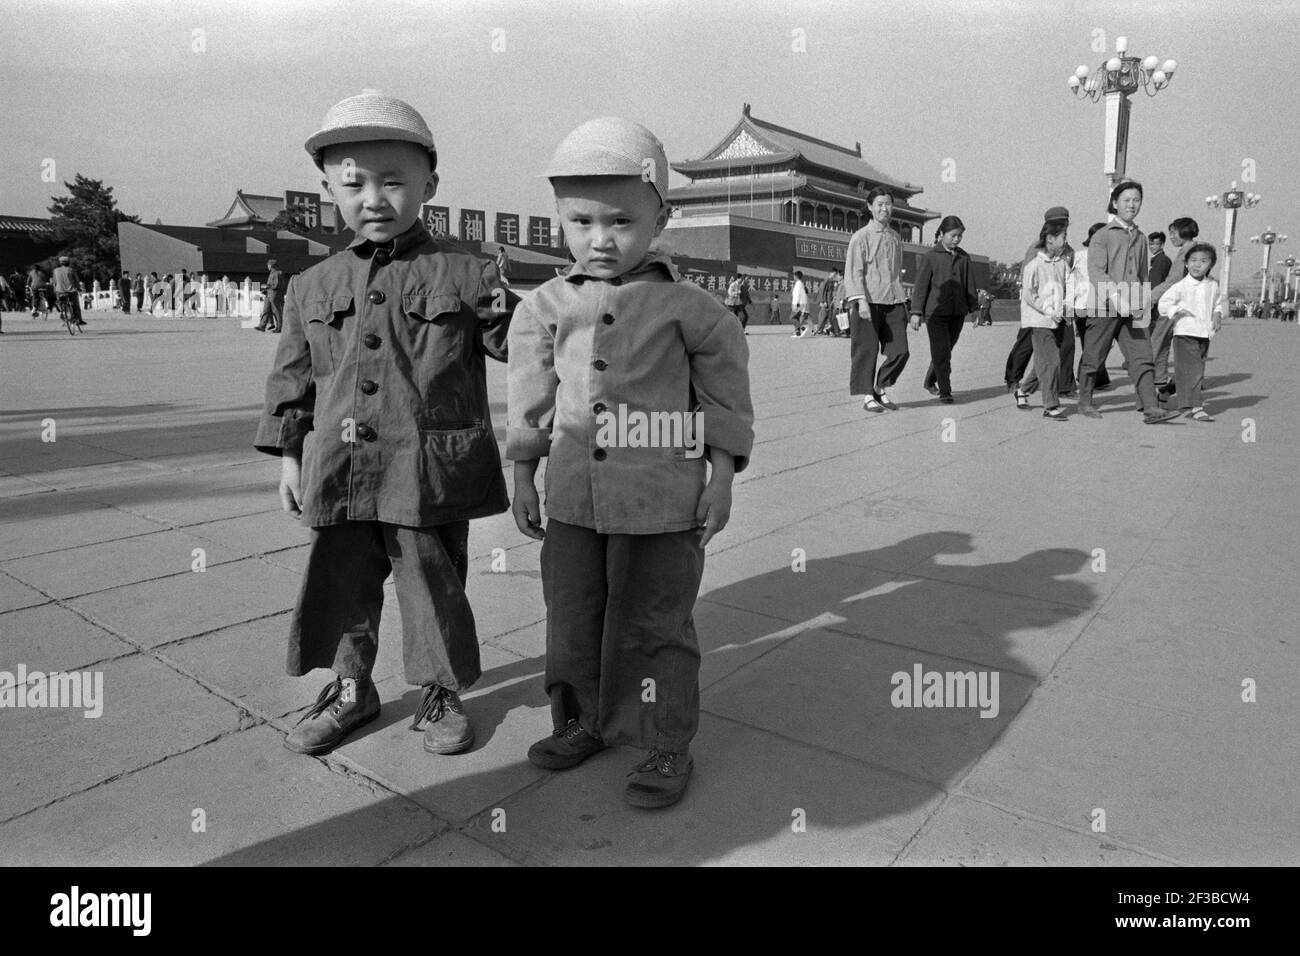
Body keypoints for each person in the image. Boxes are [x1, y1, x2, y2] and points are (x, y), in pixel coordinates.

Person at [254, 91, 518, 759]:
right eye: (355, 183)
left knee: (431, 578)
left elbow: (526, 341)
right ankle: (351, 688)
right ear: (328, 189)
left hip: (427, 466)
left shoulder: (468, 272)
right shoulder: (310, 285)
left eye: (394, 181)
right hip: (341, 470)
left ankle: (439, 689)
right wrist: (290, 458)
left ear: (430, 183)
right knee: (342, 576)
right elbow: (292, 381)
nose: (374, 198)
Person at [508, 117, 753, 809]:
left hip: (663, 499)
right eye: (581, 221)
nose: (601, 239)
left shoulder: (695, 312)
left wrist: (723, 478)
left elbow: (724, 400)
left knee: (657, 621)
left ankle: (665, 738)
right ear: (558, 220)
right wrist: (522, 475)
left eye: (621, 220)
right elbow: (529, 399)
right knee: (572, 615)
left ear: (661, 217)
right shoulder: (544, 308)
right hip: (573, 498)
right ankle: (582, 720)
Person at [1077, 180, 1179, 424]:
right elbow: (1097, 273)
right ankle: (1085, 401)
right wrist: (1115, 297)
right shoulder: (1102, 236)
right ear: (1114, 203)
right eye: (1126, 200)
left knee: (1143, 355)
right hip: (1104, 305)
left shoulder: (1141, 237)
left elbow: (1143, 274)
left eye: (1136, 200)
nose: (1132, 205)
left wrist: (1144, 302)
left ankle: (1150, 407)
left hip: (1133, 307)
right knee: (1094, 355)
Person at [845, 186, 909, 412]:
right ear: (870, 207)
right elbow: (854, 272)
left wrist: (903, 301)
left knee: (900, 351)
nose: (885, 208)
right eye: (880, 204)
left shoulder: (895, 237)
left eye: (888, 203)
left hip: (893, 301)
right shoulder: (860, 237)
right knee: (867, 350)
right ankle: (867, 396)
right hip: (868, 302)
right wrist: (860, 301)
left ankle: (880, 385)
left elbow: (896, 272)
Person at [1005, 206, 1074, 391]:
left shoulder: (1069, 250)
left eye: (1065, 222)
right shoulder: (1036, 248)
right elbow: (1028, 280)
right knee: (1026, 344)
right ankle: (1013, 378)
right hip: (1037, 306)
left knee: (1065, 345)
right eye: (1059, 223)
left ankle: (1063, 385)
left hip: (1059, 306)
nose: (1064, 225)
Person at [912, 215, 978, 404]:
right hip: (935, 313)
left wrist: (974, 310)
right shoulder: (930, 256)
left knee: (946, 351)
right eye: (953, 235)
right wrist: (916, 312)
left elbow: (969, 285)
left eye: (960, 236)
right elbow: (921, 286)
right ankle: (945, 391)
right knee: (941, 352)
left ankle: (930, 379)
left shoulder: (964, 257)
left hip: (957, 312)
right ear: (941, 234)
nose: (956, 239)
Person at [1157, 242, 1223, 422]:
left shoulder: (1213, 285)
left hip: (1204, 334)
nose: (1197, 264)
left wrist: (1217, 314)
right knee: (1194, 371)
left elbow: (1218, 303)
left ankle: (1166, 392)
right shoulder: (1181, 286)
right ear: (1186, 264)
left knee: (1190, 370)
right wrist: (1176, 311)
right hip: (1185, 334)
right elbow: (1164, 303)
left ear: (1211, 264)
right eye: (1193, 260)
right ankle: (1195, 407)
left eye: (1203, 261)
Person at [1019, 220, 1071, 419]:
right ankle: (1050, 405)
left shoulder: (1062, 264)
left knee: (1043, 361)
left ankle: (1023, 389)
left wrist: (1065, 307)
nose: (1066, 240)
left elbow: (1069, 286)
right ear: (1050, 239)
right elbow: (1029, 295)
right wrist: (1047, 310)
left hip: (1057, 320)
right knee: (1052, 361)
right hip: (1039, 321)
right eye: (1063, 237)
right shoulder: (1034, 265)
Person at [1149, 217, 1198, 396]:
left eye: (1173, 233)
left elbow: (1173, 280)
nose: (1171, 237)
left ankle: (1153, 380)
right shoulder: (1196, 249)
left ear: (1184, 231)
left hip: (1175, 304)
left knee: (1157, 341)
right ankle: (1162, 378)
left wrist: (1152, 297)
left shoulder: (1187, 251)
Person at [51, 256, 86, 326]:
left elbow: (54, 282)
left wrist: (55, 290)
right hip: (71, 291)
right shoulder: (71, 270)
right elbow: (76, 280)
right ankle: (79, 319)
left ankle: (64, 316)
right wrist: (78, 288)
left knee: (61, 304)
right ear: (68, 263)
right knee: (75, 305)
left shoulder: (55, 270)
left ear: (60, 263)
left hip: (59, 291)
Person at [256, 259, 284, 331]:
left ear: (272, 266)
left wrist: (267, 286)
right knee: (265, 310)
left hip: (275, 295)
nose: (267, 266)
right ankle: (262, 326)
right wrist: (265, 290)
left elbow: (277, 285)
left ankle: (279, 327)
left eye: (268, 265)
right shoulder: (272, 273)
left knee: (276, 311)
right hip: (268, 294)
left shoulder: (277, 273)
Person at [790, 270, 810, 337]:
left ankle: (803, 328)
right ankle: (798, 332)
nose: (793, 277)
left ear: (796, 276)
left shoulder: (798, 284)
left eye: (794, 275)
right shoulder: (800, 284)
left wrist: (795, 304)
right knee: (797, 318)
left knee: (792, 318)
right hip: (800, 303)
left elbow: (797, 295)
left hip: (797, 304)